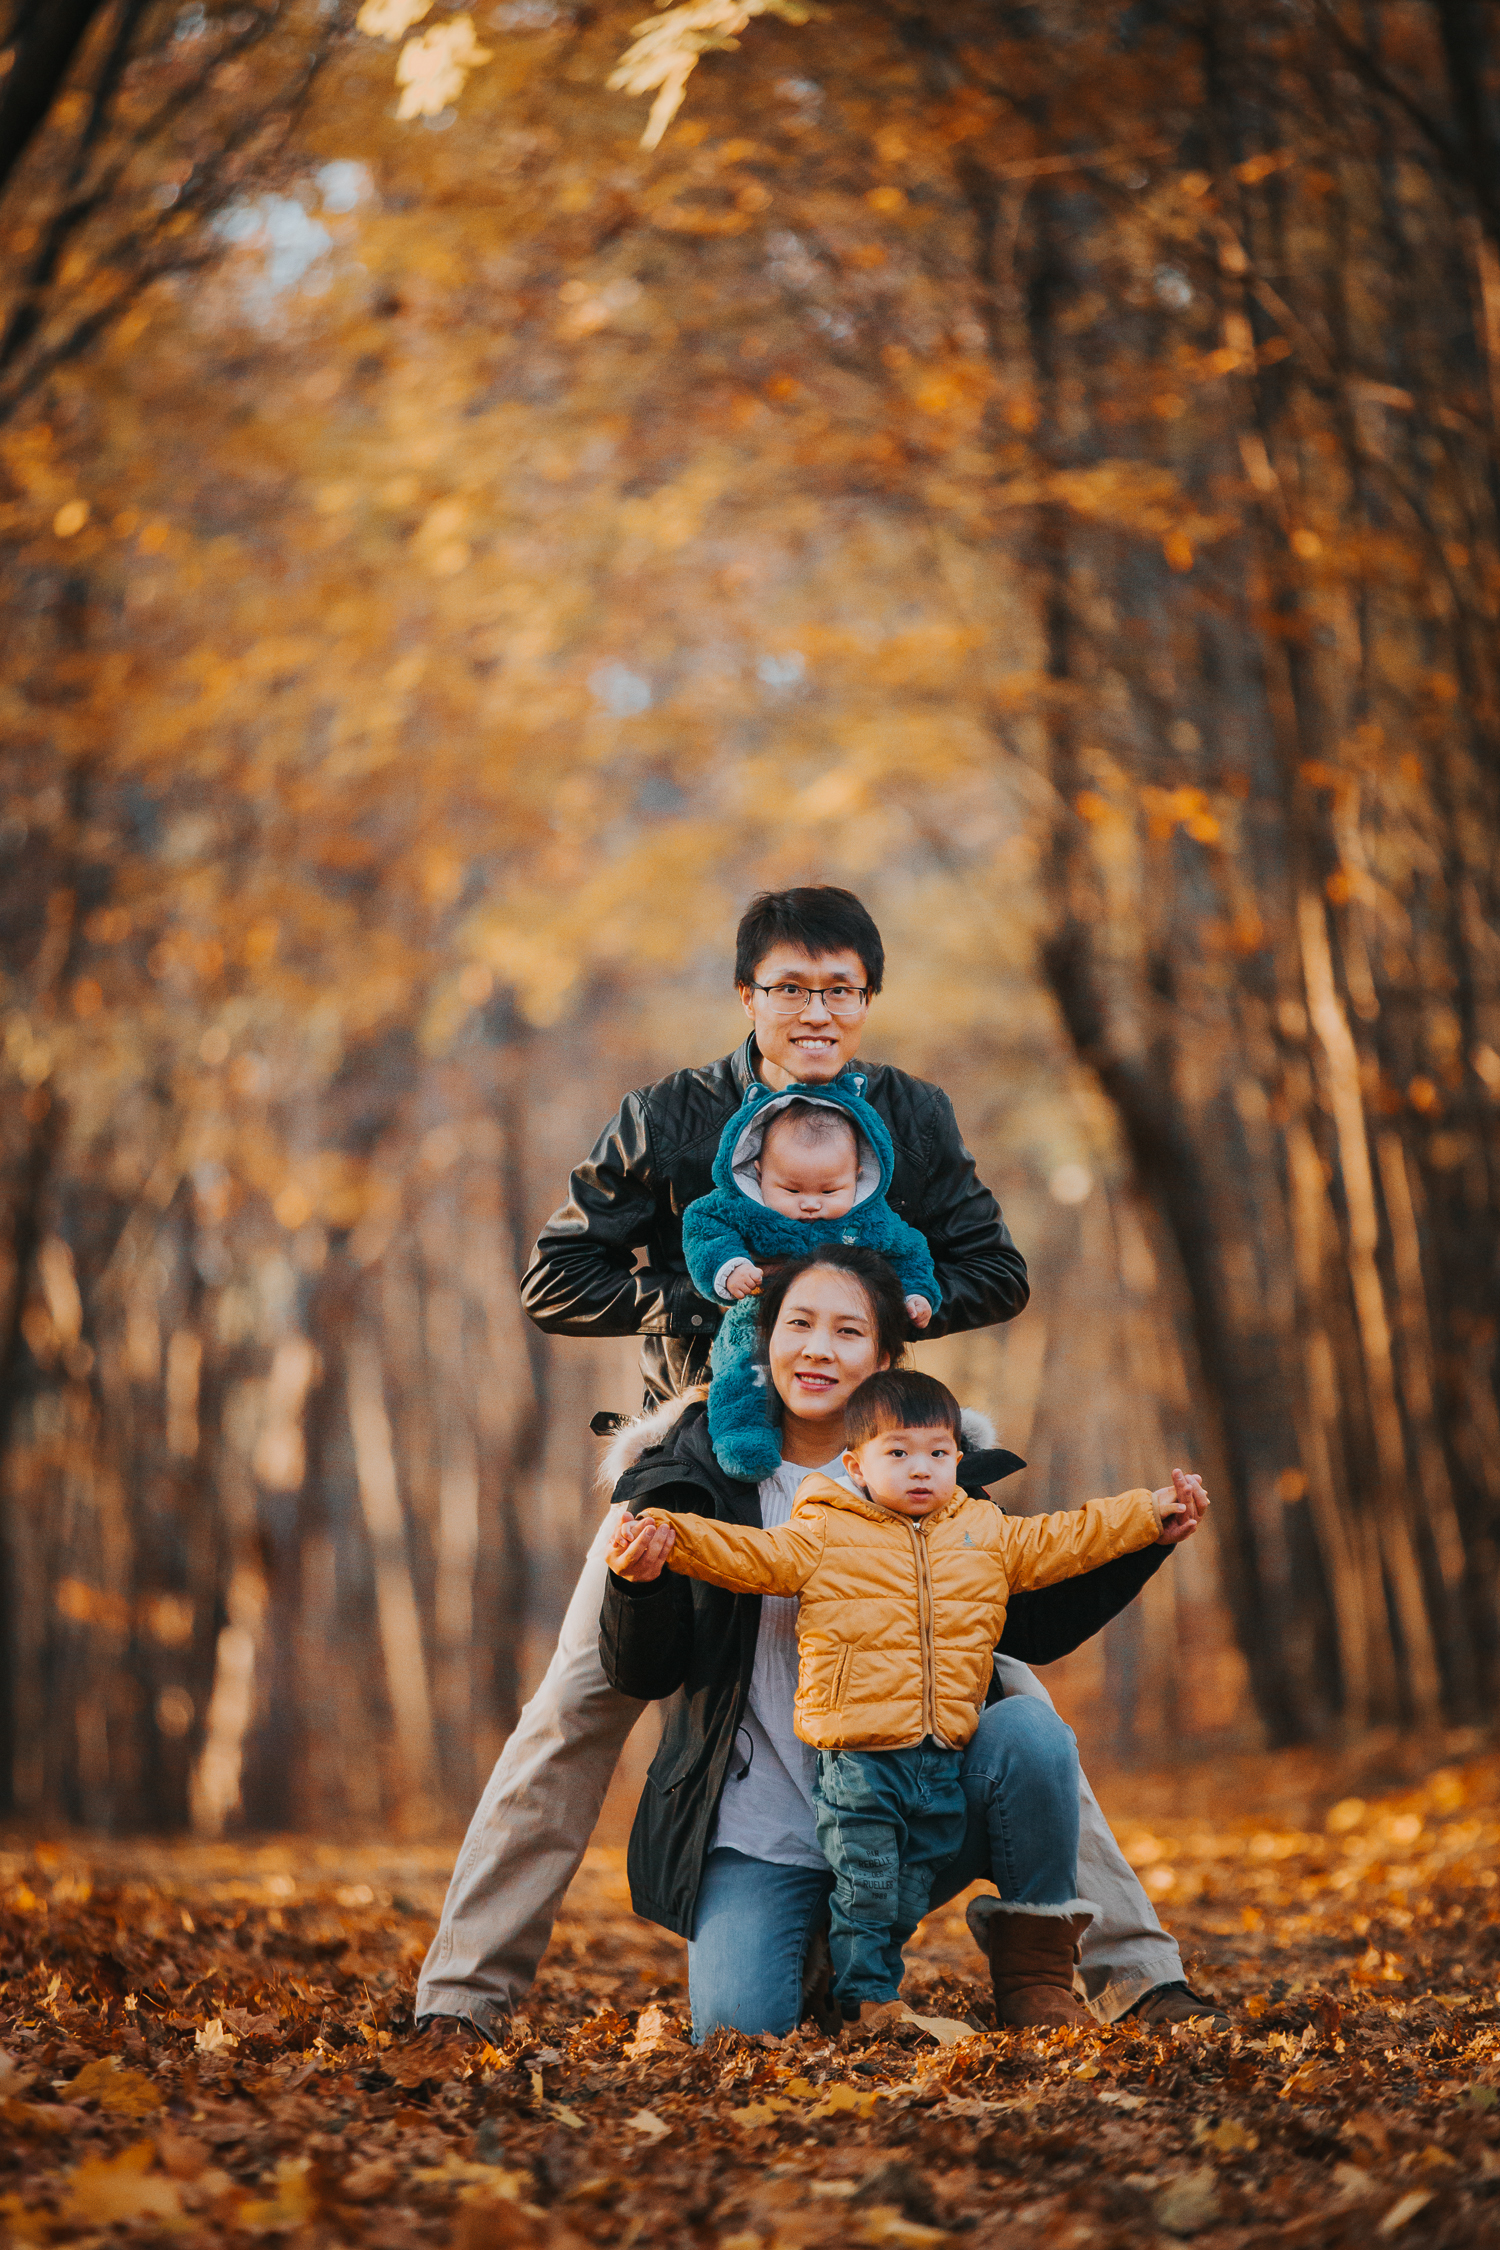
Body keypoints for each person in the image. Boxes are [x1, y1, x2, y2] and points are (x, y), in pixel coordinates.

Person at [414, 886, 1216, 2037]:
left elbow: (997, 1266)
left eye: (841, 988)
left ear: (869, 1000)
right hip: (701, 1454)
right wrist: (732, 1298)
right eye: (791, 987)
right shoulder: (669, 1117)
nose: (817, 1010)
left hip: (881, 1452)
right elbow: (557, 1280)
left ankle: (1142, 1981)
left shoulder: (912, 1117)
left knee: (1002, 1688)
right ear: (749, 997)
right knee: (573, 1707)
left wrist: (865, 1314)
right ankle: (461, 2001)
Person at [608, 1363, 1206, 2025]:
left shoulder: (984, 1532)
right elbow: (748, 1555)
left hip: (941, 1768)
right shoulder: (825, 1530)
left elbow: (1070, 1535)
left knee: (995, 1777)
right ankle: (864, 1992)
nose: (921, 1469)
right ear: (856, 1467)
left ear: (958, 1458)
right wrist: (666, 1537)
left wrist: (1151, 1515)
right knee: (748, 2015)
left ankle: (1035, 1981)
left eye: (938, 1454)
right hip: (857, 1771)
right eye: (899, 1454)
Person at [680, 1073, 939, 1479]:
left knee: (876, 1382)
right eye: (793, 1189)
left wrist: (918, 1293)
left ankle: (876, 1447)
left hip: (848, 1313)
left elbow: (911, 1251)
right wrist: (728, 1267)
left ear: (858, 1174)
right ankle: (742, 1438)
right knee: (741, 1372)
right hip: (757, 1313)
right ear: (759, 1169)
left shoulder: (870, 1219)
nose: (811, 1205)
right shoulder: (746, 1207)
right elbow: (704, 1226)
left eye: (829, 1191)